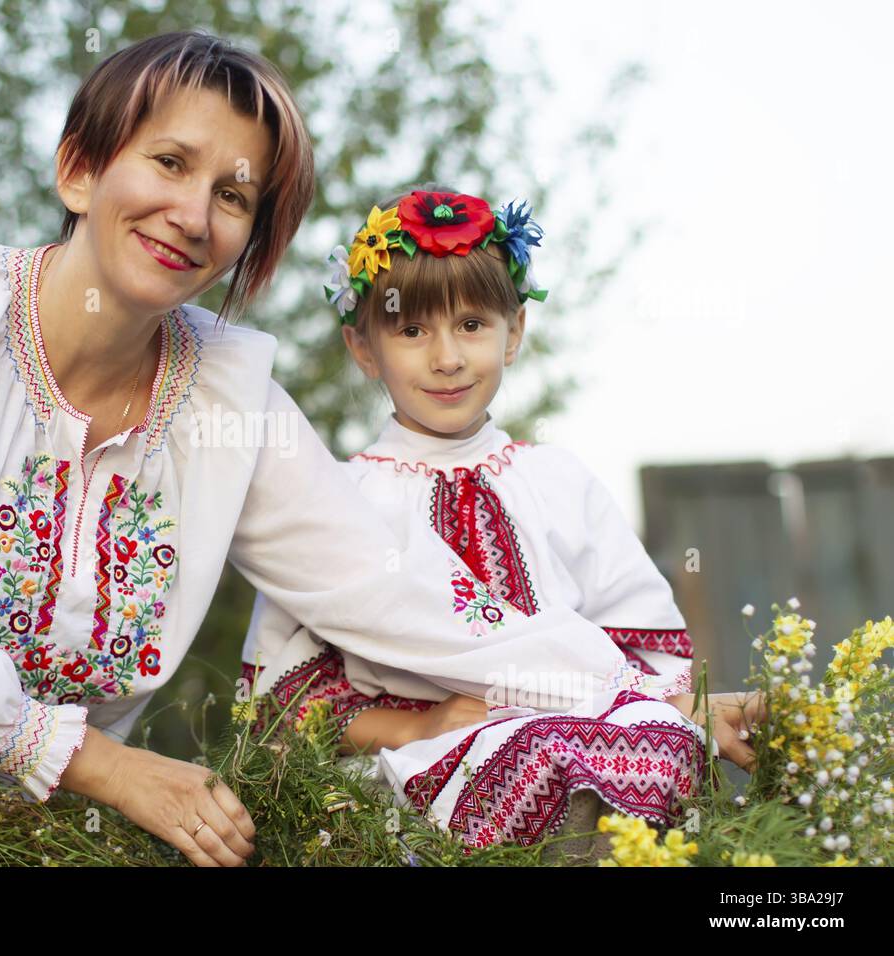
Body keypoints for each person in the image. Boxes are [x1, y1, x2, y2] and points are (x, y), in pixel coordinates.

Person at [0, 32, 736, 869]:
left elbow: (394, 586)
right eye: (169, 162)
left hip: (4, 828)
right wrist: (108, 766)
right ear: (81, 169)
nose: (193, 212)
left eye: (234, 195)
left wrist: (633, 699)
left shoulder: (230, 394)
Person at [241, 186, 764, 853]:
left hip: (588, 737)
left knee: (658, 747)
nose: (447, 358)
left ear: (513, 332)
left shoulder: (559, 481)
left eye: (471, 325)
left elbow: (642, 637)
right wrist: (415, 724)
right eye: (410, 330)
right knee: (537, 755)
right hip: (419, 762)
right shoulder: (338, 501)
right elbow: (283, 706)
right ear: (363, 347)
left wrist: (660, 706)